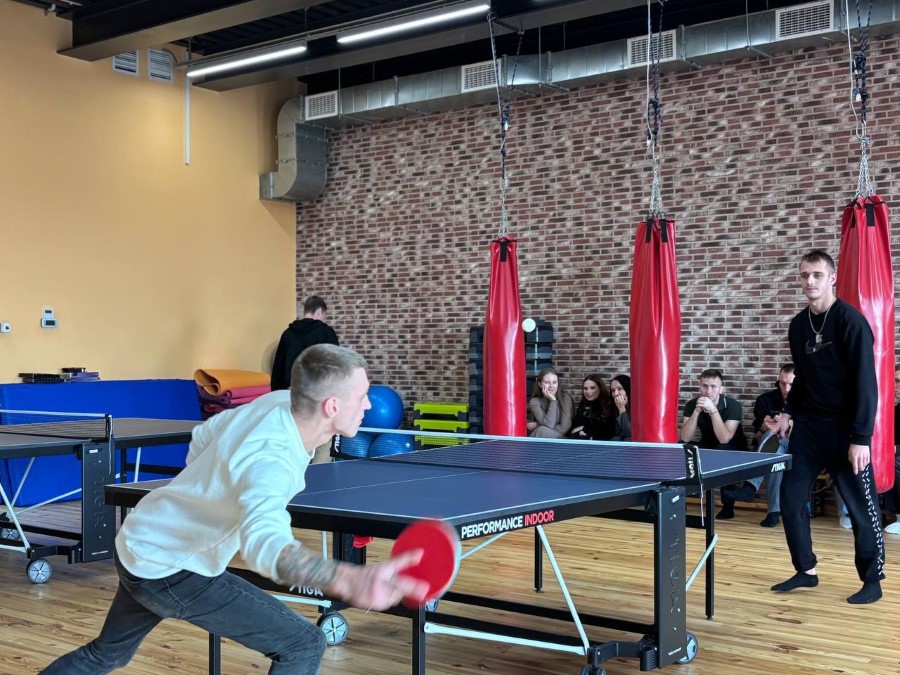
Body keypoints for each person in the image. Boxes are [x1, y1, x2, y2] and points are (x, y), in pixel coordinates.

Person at [41, 344, 427, 674]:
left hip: (144, 541)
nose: (369, 404)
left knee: (107, 654)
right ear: (331, 405)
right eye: (363, 396)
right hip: (172, 567)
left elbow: (206, 434)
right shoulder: (271, 461)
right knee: (303, 644)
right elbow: (266, 547)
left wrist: (206, 490)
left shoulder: (281, 402)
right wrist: (346, 578)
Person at [771, 249, 884, 605]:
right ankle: (806, 570)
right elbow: (802, 379)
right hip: (809, 428)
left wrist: (861, 437)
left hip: (846, 431)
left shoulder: (851, 322)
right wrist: (788, 412)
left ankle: (872, 580)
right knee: (790, 499)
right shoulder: (798, 326)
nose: (810, 281)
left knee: (861, 508)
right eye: (805, 275)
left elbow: (867, 384)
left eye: (817, 274)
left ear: (832, 278)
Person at [680, 368, 747, 520]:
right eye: (705, 386)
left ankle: (728, 506)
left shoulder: (733, 405)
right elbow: (685, 437)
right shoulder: (692, 405)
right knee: (682, 448)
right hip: (708, 443)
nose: (708, 391)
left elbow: (725, 438)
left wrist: (713, 411)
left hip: (733, 445)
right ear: (700, 386)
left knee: (723, 450)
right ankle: (681, 497)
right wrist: (696, 412)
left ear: (721, 389)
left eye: (713, 387)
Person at [750, 364, 795, 528]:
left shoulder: (808, 401)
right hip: (773, 450)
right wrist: (764, 427)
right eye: (783, 383)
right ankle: (774, 512)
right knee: (776, 454)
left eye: (791, 384)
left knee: (776, 449)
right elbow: (757, 439)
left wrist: (789, 427)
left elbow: (810, 439)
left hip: (798, 449)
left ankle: (751, 486)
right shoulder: (765, 400)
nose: (786, 389)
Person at [271, 296, 340, 391]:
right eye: (324, 315)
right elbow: (335, 363)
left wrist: (276, 391)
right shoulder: (326, 332)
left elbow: (278, 366)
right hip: (318, 389)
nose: (323, 318)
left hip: (291, 389)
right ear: (319, 311)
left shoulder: (288, 333)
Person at [527, 367, 574, 438]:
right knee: (542, 430)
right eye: (547, 382)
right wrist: (553, 400)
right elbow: (549, 425)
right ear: (540, 384)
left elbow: (564, 428)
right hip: (544, 437)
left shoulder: (565, 398)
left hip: (562, 438)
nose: (551, 386)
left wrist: (538, 425)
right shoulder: (535, 402)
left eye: (554, 382)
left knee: (541, 430)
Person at [567, 374, 616, 441]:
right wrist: (580, 432)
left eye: (592, 388)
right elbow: (573, 428)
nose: (588, 392)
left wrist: (584, 428)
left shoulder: (609, 405)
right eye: (585, 388)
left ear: (600, 388)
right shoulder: (583, 404)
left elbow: (609, 431)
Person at [882, 366, 900, 535]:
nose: (895, 385)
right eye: (894, 380)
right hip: (892, 451)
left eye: (898, 381)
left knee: (896, 464)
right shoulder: (891, 407)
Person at [610, 374, 632, 441]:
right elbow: (616, 433)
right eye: (613, 390)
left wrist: (622, 409)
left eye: (619, 389)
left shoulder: (637, 407)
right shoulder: (612, 407)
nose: (616, 394)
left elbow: (629, 433)